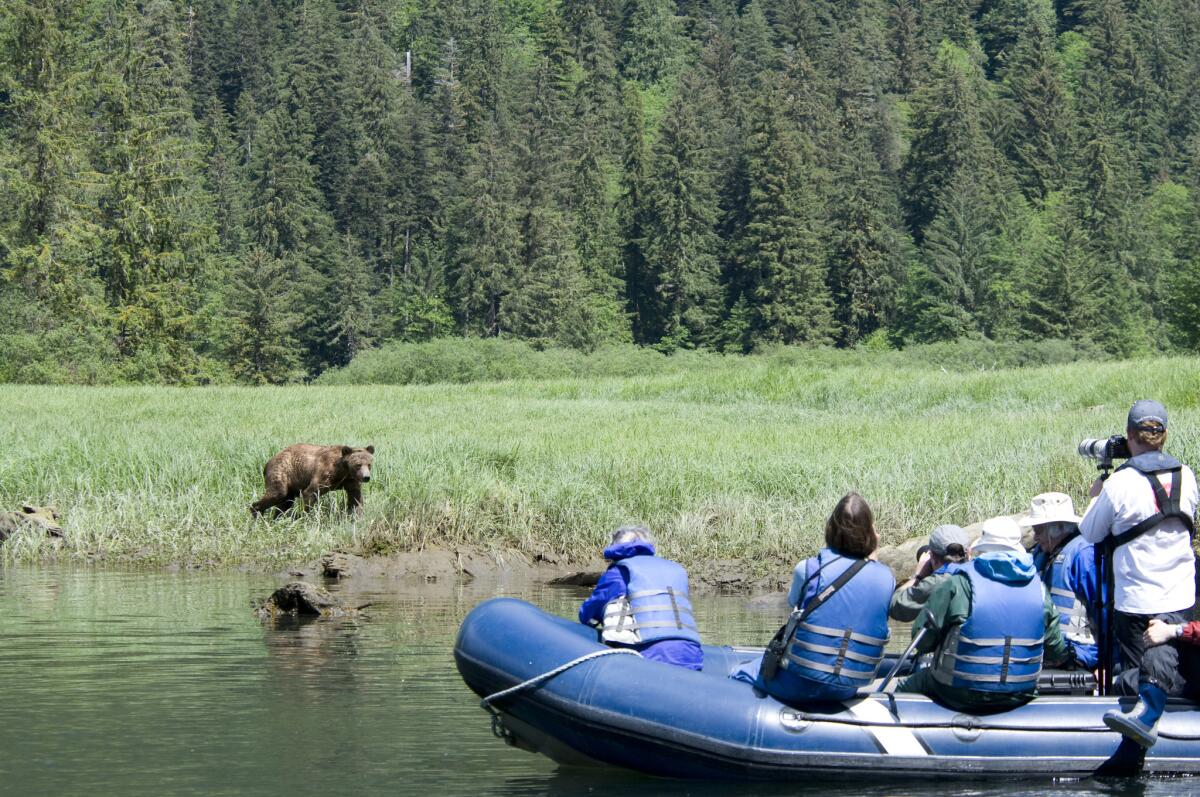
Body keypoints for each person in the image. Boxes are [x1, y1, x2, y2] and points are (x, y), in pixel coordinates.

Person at [1079, 400, 1198, 748]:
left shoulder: (1120, 482)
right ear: (1164, 435)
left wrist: (1098, 494)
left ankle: (1139, 731)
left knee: (1138, 672)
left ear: (1129, 436)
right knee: (1171, 663)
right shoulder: (1186, 475)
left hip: (1135, 601)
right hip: (1181, 595)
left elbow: (1090, 533)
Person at [731, 493, 895, 703]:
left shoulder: (809, 568)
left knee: (739, 672)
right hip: (846, 689)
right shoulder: (886, 578)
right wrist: (874, 558)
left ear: (831, 529)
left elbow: (793, 604)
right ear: (872, 533)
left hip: (800, 682)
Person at [898, 516, 1069, 713]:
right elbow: (1056, 650)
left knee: (905, 687)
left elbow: (921, 641)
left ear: (982, 548)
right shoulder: (1039, 590)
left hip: (958, 693)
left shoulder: (958, 583)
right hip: (1019, 694)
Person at [578, 525, 703, 670]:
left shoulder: (620, 571)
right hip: (691, 652)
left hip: (651, 654)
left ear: (616, 547)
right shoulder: (676, 569)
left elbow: (589, 612)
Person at [1021, 492, 1100, 670]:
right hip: (1050, 650)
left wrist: (1109, 660)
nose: (1035, 537)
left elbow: (1103, 609)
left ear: (1056, 527)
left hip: (1081, 653)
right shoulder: (1042, 554)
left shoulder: (1083, 554)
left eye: (1039, 530)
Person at [890, 524, 969, 622]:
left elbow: (895, 607)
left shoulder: (936, 583)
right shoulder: (981, 574)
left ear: (933, 558)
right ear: (968, 553)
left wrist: (918, 576)